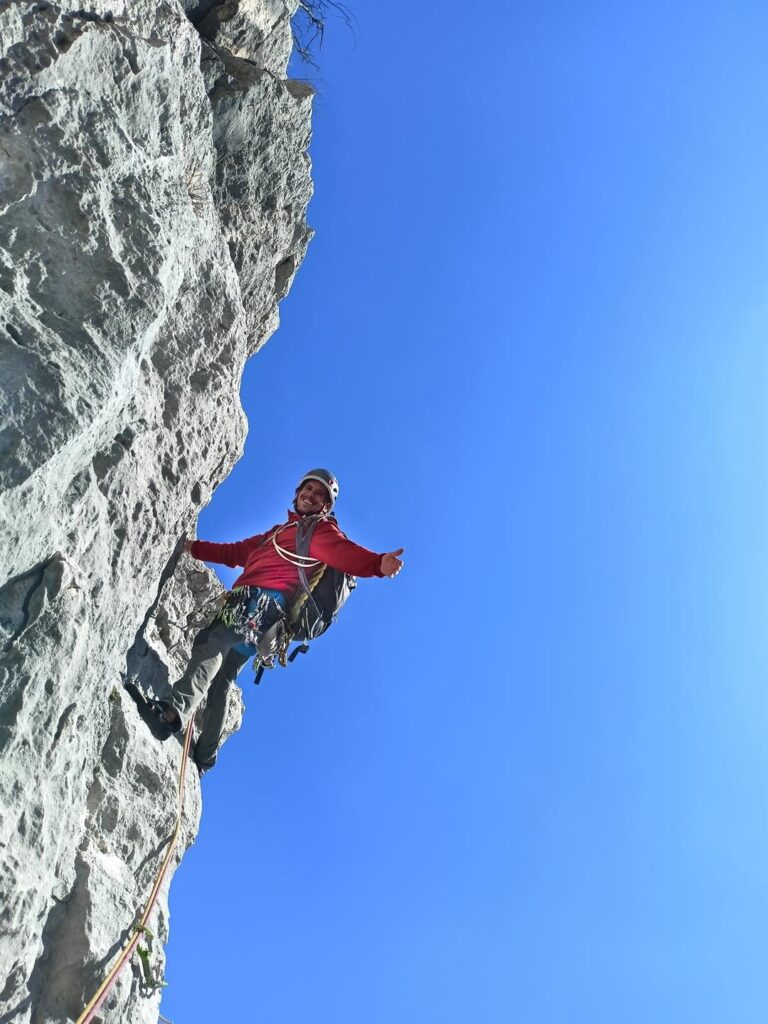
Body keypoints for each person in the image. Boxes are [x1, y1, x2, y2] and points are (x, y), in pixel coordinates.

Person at [145, 469, 404, 773]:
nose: (311, 495)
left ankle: (173, 712)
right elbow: (236, 552)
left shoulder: (317, 532)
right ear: (297, 494)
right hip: (265, 626)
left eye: (320, 494)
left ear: (326, 506)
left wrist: (377, 564)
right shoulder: (276, 534)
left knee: (212, 644)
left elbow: (344, 554)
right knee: (222, 678)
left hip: (260, 606)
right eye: (307, 489)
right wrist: (194, 548)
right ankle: (205, 756)